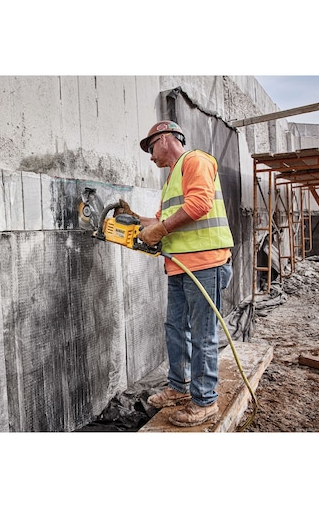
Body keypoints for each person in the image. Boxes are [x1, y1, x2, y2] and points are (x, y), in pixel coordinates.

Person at [116, 120, 234, 427]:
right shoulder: (171, 180)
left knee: (203, 335)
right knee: (176, 328)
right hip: (180, 266)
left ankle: (205, 401)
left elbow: (199, 204)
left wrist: (159, 229)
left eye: (151, 146)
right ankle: (179, 388)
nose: (150, 155)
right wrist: (134, 219)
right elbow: (160, 220)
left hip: (206, 265)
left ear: (166, 139)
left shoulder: (195, 160)